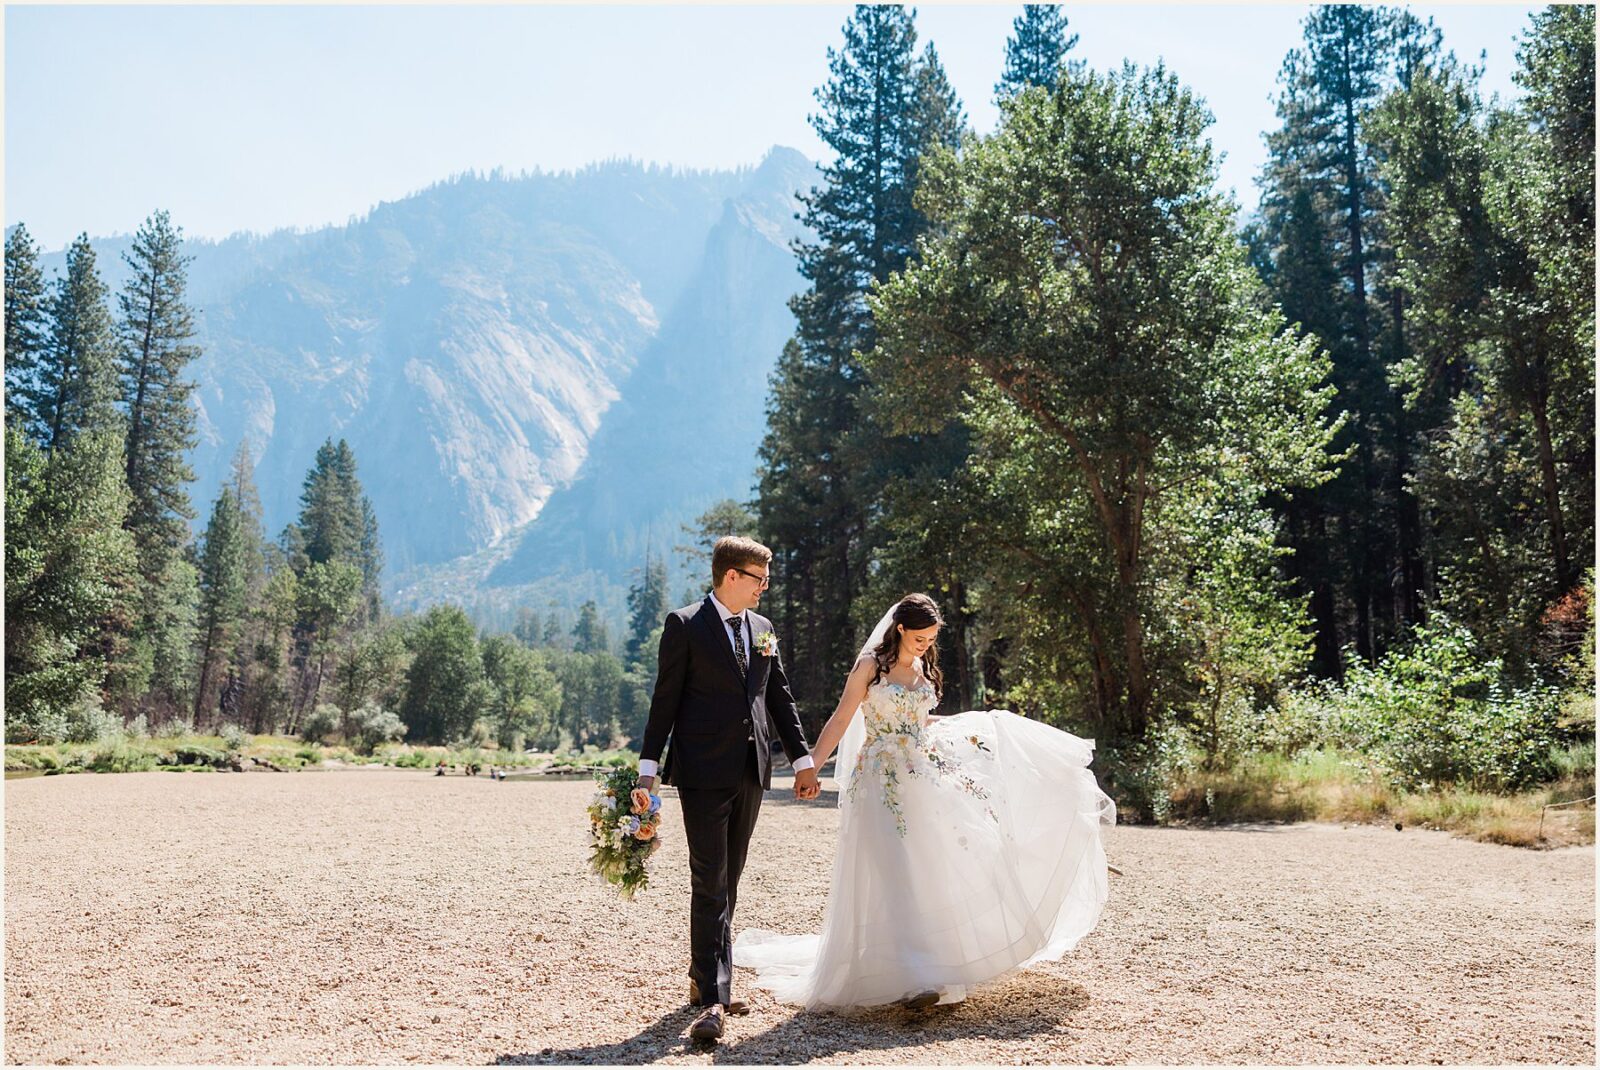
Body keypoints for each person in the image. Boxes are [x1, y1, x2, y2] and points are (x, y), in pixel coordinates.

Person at [733, 593, 1115, 1011]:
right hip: (881, 782)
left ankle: (931, 965)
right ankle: (911, 976)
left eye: (931, 638)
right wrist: (809, 767)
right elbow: (842, 718)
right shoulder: (870, 668)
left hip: (924, 778)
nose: (925, 645)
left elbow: (921, 719)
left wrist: (972, 726)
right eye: (919, 638)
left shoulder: (924, 667)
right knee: (895, 870)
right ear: (899, 629)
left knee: (931, 867)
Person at [636, 536, 821, 1041]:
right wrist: (647, 768)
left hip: (750, 770)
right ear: (732, 576)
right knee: (710, 879)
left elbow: (778, 697)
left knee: (729, 879)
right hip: (700, 771)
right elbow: (664, 700)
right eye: (760, 579)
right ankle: (716, 1000)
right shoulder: (685, 625)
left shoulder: (763, 629)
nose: (765, 589)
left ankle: (703, 977)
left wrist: (803, 761)